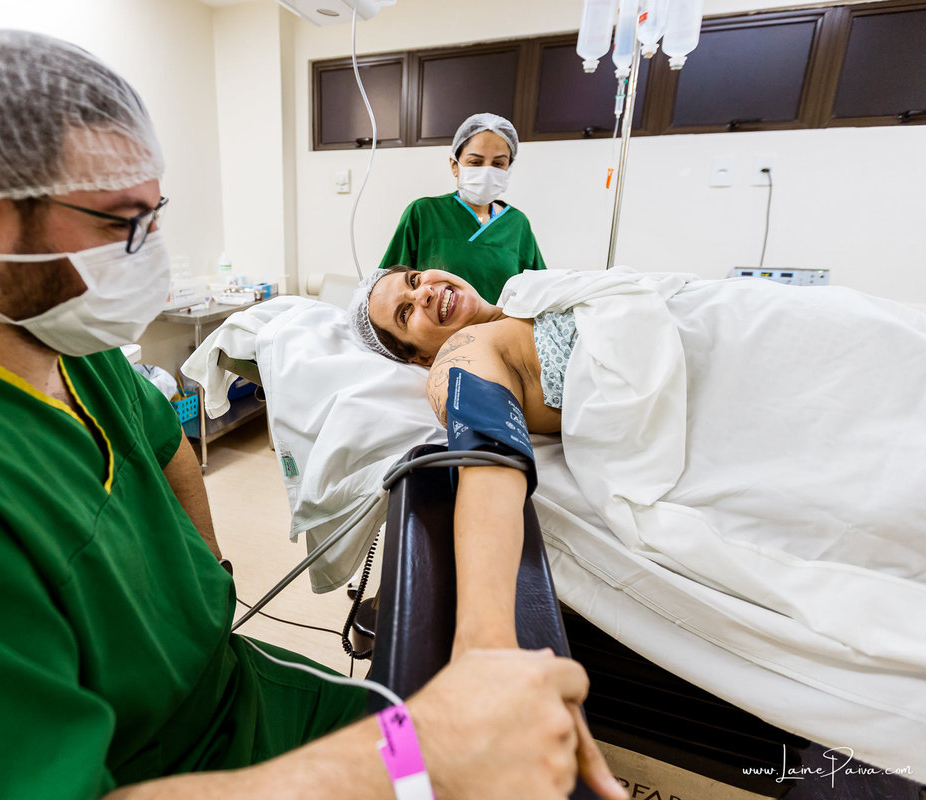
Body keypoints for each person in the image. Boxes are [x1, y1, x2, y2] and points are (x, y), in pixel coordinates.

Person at [0, 30, 628, 800]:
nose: (151, 252)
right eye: (123, 223)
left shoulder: (55, 341)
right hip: (160, 773)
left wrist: (211, 598)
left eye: (157, 214)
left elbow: (169, 452)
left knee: (426, 743)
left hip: (237, 696)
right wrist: (433, 751)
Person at [350, 265, 926, 664]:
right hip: (728, 375)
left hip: (743, 318)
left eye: (414, 278)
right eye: (406, 313)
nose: (423, 292)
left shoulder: (521, 296)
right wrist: (485, 642)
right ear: (419, 354)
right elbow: (486, 461)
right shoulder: (460, 355)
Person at [378, 113, 545, 303]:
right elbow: (388, 286)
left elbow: (539, 291)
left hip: (499, 331)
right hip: (438, 331)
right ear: (454, 165)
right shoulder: (424, 212)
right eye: (475, 162)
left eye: (498, 163)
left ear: (508, 169)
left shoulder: (517, 223)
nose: (487, 171)